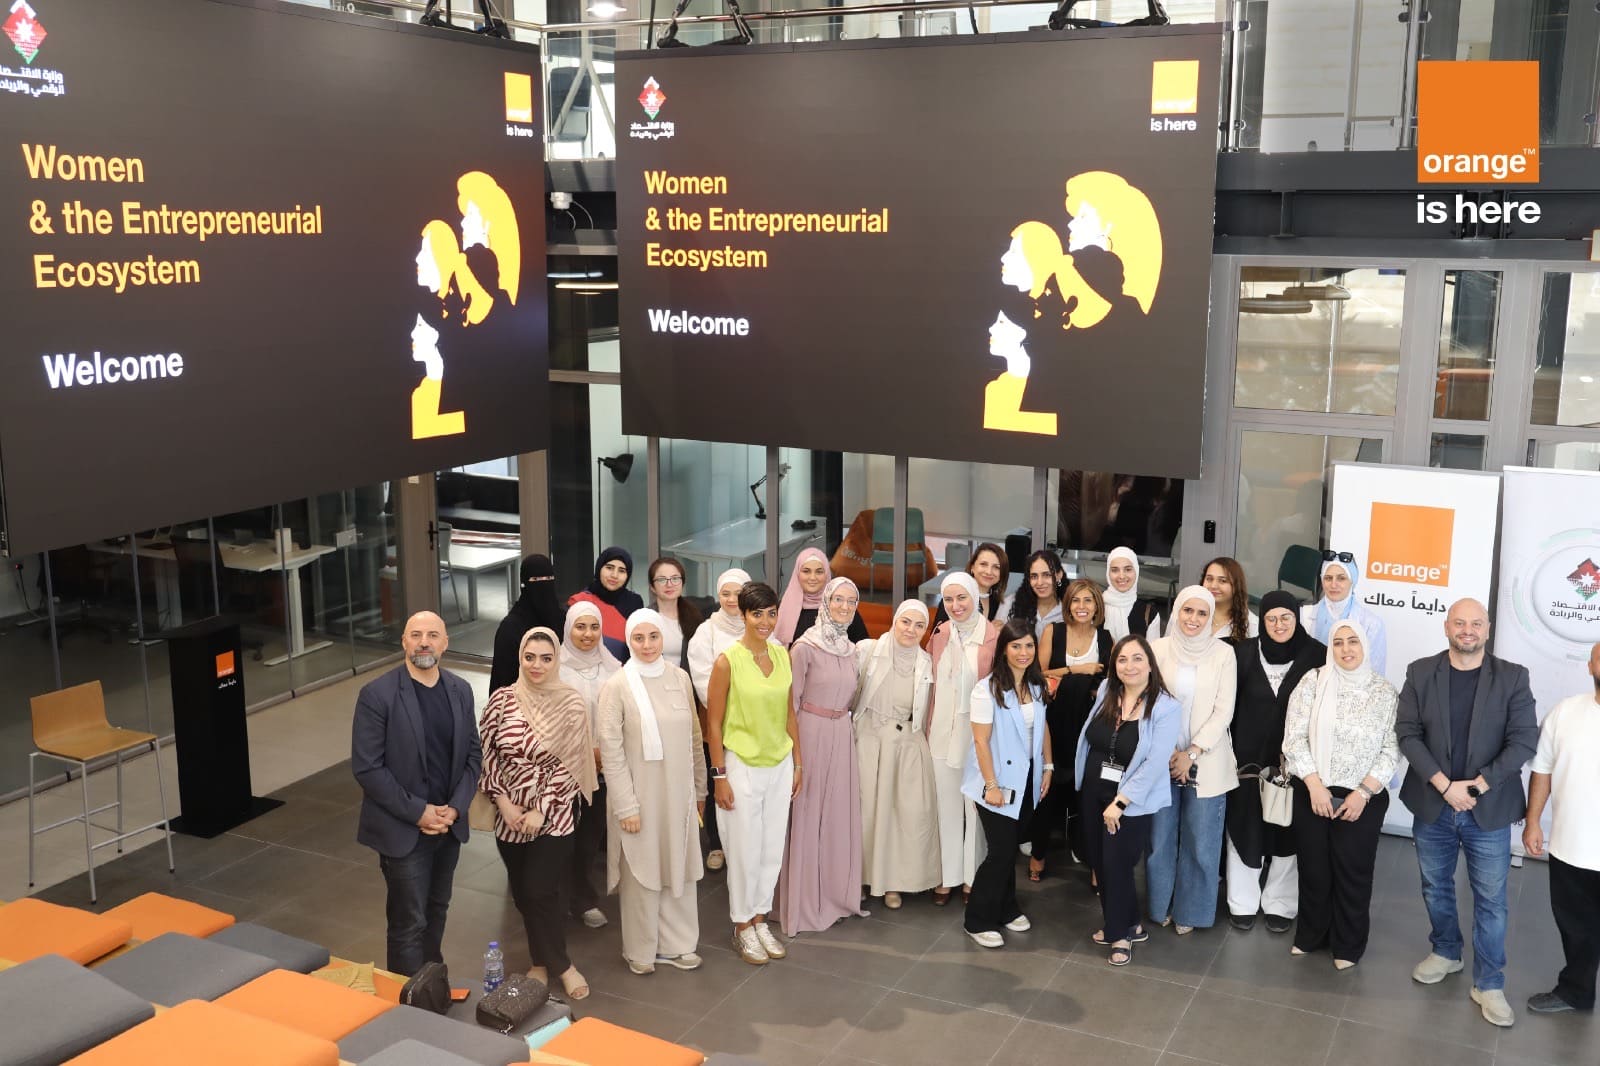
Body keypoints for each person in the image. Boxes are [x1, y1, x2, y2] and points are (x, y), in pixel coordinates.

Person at [1395, 598, 1538, 1028]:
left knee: (1491, 900)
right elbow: (1407, 733)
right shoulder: (1421, 672)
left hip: (1487, 808)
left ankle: (1489, 983)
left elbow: (1523, 741)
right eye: (1459, 623)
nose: (1467, 630)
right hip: (1433, 805)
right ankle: (1446, 951)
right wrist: (1445, 785)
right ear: (1446, 627)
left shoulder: (1513, 677)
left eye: (1476, 623)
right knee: (1435, 886)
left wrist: (1475, 787)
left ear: (1487, 629)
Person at [352, 612, 480, 976]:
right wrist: (419, 812)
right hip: (404, 832)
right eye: (416, 635)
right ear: (404, 642)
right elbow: (367, 768)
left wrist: (455, 808)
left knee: (437, 910)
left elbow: (473, 755)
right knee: (409, 923)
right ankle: (409, 1001)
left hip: (448, 828)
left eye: (433, 635)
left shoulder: (460, 690)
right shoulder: (377, 695)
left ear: (445, 643)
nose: (424, 642)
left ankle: (430, 985)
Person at [479, 627, 596, 1000]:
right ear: (520, 657)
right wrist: (503, 802)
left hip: (554, 815)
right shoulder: (501, 701)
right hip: (509, 815)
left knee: (539, 888)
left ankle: (563, 966)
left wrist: (540, 810)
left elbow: (571, 764)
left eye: (546, 658)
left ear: (556, 660)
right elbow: (486, 753)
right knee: (524, 895)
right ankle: (540, 963)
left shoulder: (571, 703)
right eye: (530, 657)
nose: (537, 665)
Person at [596, 610, 708, 975]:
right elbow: (611, 751)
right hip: (639, 797)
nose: (647, 645)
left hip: (679, 796)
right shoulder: (617, 685)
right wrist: (626, 805)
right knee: (642, 872)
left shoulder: (679, 678)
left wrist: (700, 789)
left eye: (653, 637)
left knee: (680, 867)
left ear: (663, 638)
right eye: (639, 638)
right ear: (629, 640)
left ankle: (679, 945)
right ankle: (640, 949)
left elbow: (694, 738)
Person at [1282, 619, 1399, 969]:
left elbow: (1392, 750)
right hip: (1313, 790)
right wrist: (1314, 785)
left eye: (1353, 641)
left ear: (1365, 645)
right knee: (1314, 869)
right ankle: (1311, 935)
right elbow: (1293, 737)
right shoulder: (1313, 681)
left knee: (1353, 872)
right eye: (1338, 642)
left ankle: (1348, 945)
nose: (1346, 649)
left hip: (1362, 798)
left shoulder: (1384, 692)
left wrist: (1363, 793)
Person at [706, 582, 799, 966]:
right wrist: (719, 777)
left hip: (779, 764)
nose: (765, 621)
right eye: (757, 613)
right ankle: (742, 925)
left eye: (771, 613)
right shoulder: (727, 661)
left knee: (770, 849)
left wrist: (798, 763)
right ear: (743, 615)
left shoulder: (782, 655)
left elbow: (789, 713)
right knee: (744, 852)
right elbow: (713, 725)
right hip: (741, 766)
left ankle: (761, 919)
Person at [1074, 635, 1182, 966]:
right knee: (1099, 860)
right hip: (1093, 790)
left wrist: (1121, 802)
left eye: (1137, 658)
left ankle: (1119, 933)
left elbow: (1155, 762)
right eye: (1122, 659)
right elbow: (1093, 738)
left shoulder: (1166, 707)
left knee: (1117, 865)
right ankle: (1130, 922)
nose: (1129, 666)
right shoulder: (1108, 692)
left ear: (1150, 664)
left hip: (1130, 800)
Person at [1226, 592, 1324, 932]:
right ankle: (1242, 901)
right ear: (1262, 620)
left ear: (1297, 618)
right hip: (1246, 763)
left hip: (1294, 764)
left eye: (1286, 617)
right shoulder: (1242, 653)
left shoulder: (1317, 655)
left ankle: (1280, 902)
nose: (1279, 625)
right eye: (1271, 618)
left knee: (1287, 831)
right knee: (1244, 827)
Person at [777, 577, 868, 934]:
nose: (844, 607)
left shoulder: (852, 649)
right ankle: (801, 901)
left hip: (841, 734)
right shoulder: (805, 648)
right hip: (810, 733)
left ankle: (832, 895)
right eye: (838, 600)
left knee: (835, 815)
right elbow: (790, 704)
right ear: (826, 603)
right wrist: (796, 756)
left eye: (851, 601)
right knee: (808, 812)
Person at [1148, 586, 1238, 933]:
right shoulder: (1157, 649)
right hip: (1161, 758)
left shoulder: (1224, 654)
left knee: (1201, 843)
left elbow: (1223, 711)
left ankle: (1191, 912)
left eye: (1202, 613)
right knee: (1160, 841)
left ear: (1211, 617)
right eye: (1188, 610)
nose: (1194, 619)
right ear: (1177, 612)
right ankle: (1159, 906)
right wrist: (1170, 751)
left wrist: (1191, 753)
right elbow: (1147, 700)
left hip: (1207, 760)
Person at [962, 619, 1052, 947]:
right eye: (1016, 646)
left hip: (1028, 780)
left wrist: (1048, 766)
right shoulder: (986, 689)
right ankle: (977, 919)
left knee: (1010, 849)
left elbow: (1042, 727)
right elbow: (980, 741)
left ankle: (1006, 907)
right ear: (1004, 649)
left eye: (1029, 645)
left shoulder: (1036, 686)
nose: (1023, 652)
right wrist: (991, 785)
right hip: (997, 782)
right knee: (999, 852)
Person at [1523, 642, 1600, 1015]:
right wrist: (1533, 822)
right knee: (1576, 927)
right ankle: (1576, 992)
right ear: (1590, 665)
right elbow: (1543, 769)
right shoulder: (1565, 712)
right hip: (1570, 847)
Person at [854, 599, 940, 909]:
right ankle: (858, 879)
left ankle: (893, 883)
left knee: (902, 815)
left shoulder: (926, 661)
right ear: (895, 621)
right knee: (865, 813)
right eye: (906, 622)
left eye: (919, 625)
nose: (911, 630)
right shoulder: (867, 650)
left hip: (906, 744)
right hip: (869, 741)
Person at [1030, 578, 1110, 880]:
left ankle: (1093, 859)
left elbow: (1110, 684)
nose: (1081, 606)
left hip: (1089, 727)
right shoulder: (1054, 631)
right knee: (1048, 788)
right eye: (1075, 600)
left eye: (1088, 600)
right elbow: (1037, 675)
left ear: (1097, 606)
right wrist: (1077, 671)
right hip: (1054, 723)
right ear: (1068, 605)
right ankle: (1038, 854)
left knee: (1090, 793)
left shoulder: (1106, 638)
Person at [926, 572, 997, 906]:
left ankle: (972, 877)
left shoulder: (992, 636)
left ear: (975, 597)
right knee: (946, 807)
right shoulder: (940, 634)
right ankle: (948, 876)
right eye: (949, 599)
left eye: (962, 598)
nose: (955, 605)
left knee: (974, 810)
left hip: (976, 737)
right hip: (940, 732)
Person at [559, 601, 620, 931]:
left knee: (589, 838)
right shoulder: (555, 667)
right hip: (563, 768)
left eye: (594, 627)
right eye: (580, 627)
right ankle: (557, 898)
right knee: (560, 838)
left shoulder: (612, 668)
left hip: (602, 767)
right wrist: (585, 751)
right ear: (568, 628)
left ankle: (583, 900)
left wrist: (603, 753)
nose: (587, 634)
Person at [685, 568, 751, 873]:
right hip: (716, 719)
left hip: (753, 721)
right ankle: (716, 844)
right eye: (726, 593)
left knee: (745, 780)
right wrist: (729, 707)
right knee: (718, 780)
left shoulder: (756, 625)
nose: (732, 599)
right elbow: (702, 678)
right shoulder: (706, 631)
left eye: (738, 594)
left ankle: (742, 843)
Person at [1301, 551, 1388, 676]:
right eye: (1328, 578)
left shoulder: (1372, 624)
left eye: (1341, 578)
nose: (1333, 585)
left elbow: (1375, 675)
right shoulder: (1304, 616)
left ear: (1352, 581)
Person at [491, 554, 565, 691]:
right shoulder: (511, 628)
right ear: (524, 584)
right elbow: (504, 679)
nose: (544, 584)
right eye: (536, 579)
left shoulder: (562, 618)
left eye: (549, 578)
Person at [775, 547, 868, 646]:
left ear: (826, 574)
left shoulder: (842, 606)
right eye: (806, 571)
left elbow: (862, 647)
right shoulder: (783, 607)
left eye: (819, 572)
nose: (812, 577)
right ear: (797, 573)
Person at [568, 548, 644, 661]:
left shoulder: (634, 602)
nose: (614, 575)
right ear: (599, 568)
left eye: (622, 571)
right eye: (609, 568)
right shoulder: (581, 602)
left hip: (626, 669)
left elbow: (641, 641)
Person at [931, 542, 1010, 627]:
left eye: (996, 567)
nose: (989, 571)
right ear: (972, 567)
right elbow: (937, 634)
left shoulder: (996, 602)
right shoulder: (954, 596)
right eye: (983, 564)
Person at [647, 557, 704, 668]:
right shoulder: (645, 618)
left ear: (682, 583)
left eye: (675, 578)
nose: (669, 584)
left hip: (688, 678)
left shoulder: (695, 616)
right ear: (652, 587)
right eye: (662, 580)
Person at [1102, 547, 1164, 641]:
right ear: (1108, 573)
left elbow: (1152, 650)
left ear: (1136, 571)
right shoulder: (1095, 608)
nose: (1121, 576)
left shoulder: (1149, 614)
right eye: (1115, 570)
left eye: (1128, 569)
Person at [1008, 550, 1065, 641]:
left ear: (1059, 575)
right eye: (1034, 576)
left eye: (1046, 575)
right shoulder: (1011, 603)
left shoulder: (1069, 611)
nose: (1040, 582)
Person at [1200, 557, 1257, 643]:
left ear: (1236, 585)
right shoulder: (1187, 613)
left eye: (1223, 581)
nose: (1213, 586)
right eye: (1209, 579)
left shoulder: (1252, 624)